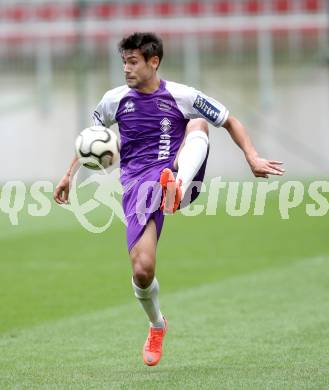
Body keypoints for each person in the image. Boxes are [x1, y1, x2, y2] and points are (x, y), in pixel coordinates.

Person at [54, 32, 284, 366]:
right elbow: (91, 139)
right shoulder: (114, 100)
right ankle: (157, 324)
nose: (127, 70)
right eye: (124, 63)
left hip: (177, 173)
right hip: (137, 187)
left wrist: (252, 157)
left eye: (133, 62)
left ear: (153, 61)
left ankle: (175, 185)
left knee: (199, 123)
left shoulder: (182, 95)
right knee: (143, 270)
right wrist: (68, 175)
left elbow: (230, 120)